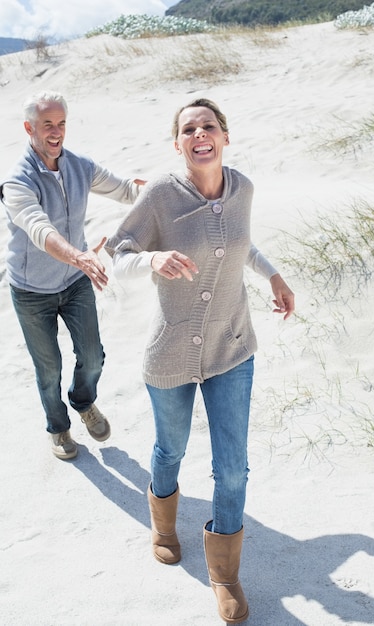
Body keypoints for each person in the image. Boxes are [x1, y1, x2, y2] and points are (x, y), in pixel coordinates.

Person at [105, 98, 295, 624]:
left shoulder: (243, 189)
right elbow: (117, 255)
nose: (199, 134)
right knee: (171, 448)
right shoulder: (162, 196)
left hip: (232, 345)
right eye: (188, 129)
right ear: (178, 143)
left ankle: (225, 575)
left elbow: (239, 244)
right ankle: (164, 524)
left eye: (207, 125)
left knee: (231, 469)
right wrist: (152, 258)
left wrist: (273, 275)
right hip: (171, 351)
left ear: (224, 136)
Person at [0, 90, 145, 461]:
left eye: (61, 123)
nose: (56, 131)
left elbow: (127, 190)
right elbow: (38, 228)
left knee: (93, 357)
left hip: (75, 281)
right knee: (49, 369)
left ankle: (83, 402)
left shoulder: (80, 166)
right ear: (29, 128)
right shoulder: (17, 181)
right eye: (47, 124)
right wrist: (79, 255)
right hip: (32, 290)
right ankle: (59, 427)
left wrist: (165, 187)